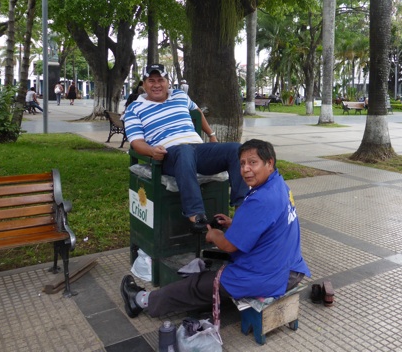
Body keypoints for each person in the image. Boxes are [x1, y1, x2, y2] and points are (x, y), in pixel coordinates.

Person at [120, 139, 311, 318]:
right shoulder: (279, 185)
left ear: (269, 163)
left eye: (253, 163)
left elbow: (228, 246)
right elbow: (268, 224)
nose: (245, 170)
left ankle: (140, 301)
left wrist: (214, 235)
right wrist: (234, 224)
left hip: (271, 278)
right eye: (242, 163)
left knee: (197, 285)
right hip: (292, 268)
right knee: (217, 265)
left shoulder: (260, 200)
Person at [123, 64, 248, 229]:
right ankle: (195, 214)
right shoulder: (134, 108)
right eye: (151, 81)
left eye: (161, 80)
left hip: (198, 151)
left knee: (236, 149)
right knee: (184, 150)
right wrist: (151, 151)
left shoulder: (180, 96)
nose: (156, 85)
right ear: (144, 85)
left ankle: (243, 211)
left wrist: (211, 135)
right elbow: (136, 142)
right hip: (169, 155)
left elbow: (197, 112)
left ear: (168, 82)